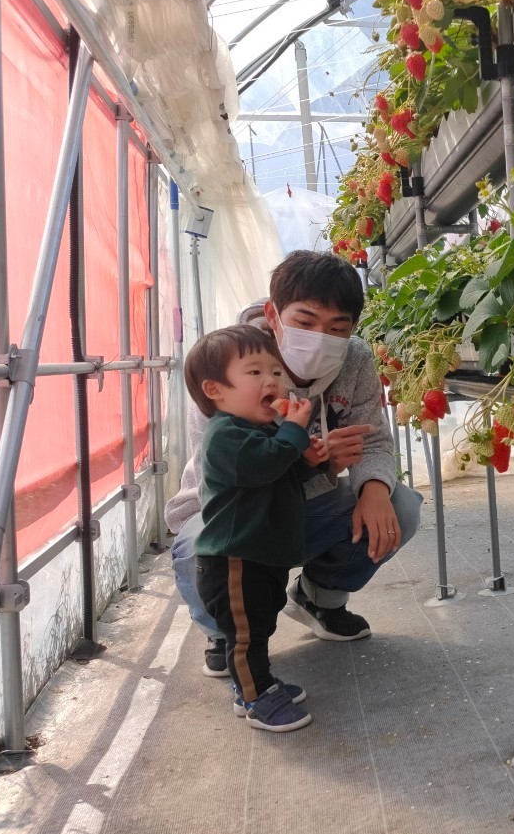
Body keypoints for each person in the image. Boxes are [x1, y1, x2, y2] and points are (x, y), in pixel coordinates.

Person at [166, 250, 423, 677]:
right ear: (273, 313)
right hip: (227, 513)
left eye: (338, 328)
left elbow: (373, 437)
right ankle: (224, 631)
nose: (321, 337)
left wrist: (373, 488)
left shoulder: (356, 358)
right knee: (201, 549)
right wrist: (317, 461)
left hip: (306, 506)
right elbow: (228, 475)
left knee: (402, 509)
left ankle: (319, 599)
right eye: (305, 322)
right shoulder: (225, 363)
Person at [185, 325, 326, 731]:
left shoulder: (260, 431)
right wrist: (294, 434)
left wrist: (306, 461)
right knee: (244, 636)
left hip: (258, 555)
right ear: (215, 390)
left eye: (276, 371)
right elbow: (264, 464)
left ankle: (258, 682)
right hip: (233, 561)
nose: (273, 381)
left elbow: (278, 475)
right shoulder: (224, 435)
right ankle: (255, 698)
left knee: (260, 626)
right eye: (254, 373)